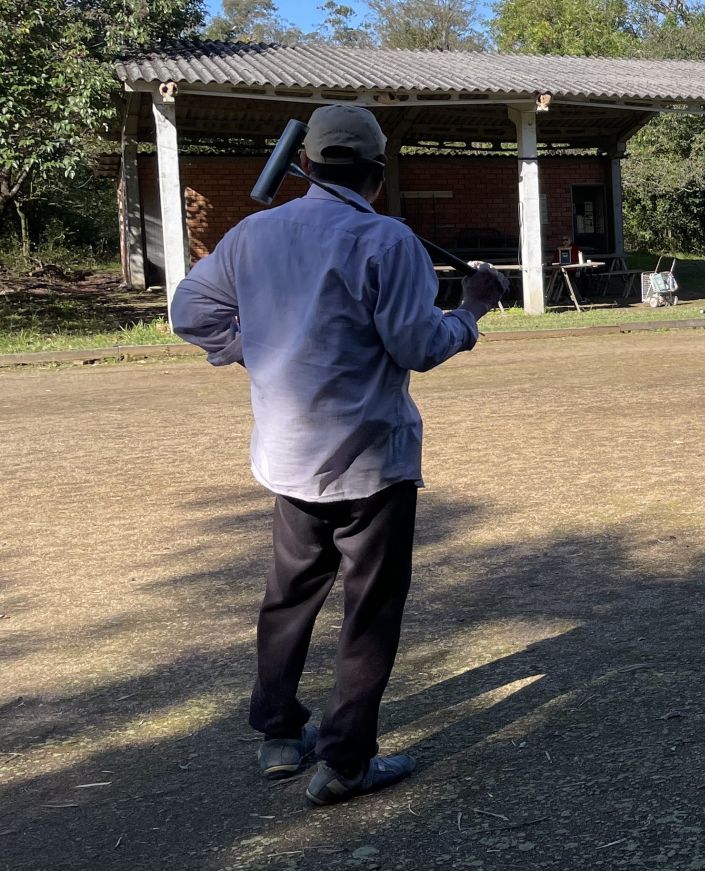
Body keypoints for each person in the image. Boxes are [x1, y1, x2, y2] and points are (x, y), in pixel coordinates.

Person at [168, 104, 508, 807]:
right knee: (370, 609)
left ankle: (278, 733)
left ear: (310, 164)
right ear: (377, 174)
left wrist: (252, 348)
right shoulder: (387, 241)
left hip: (289, 460)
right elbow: (421, 346)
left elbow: (190, 314)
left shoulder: (253, 234)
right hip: (370, 465)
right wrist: (471, 310)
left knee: (288, 597)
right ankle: (345, 760)